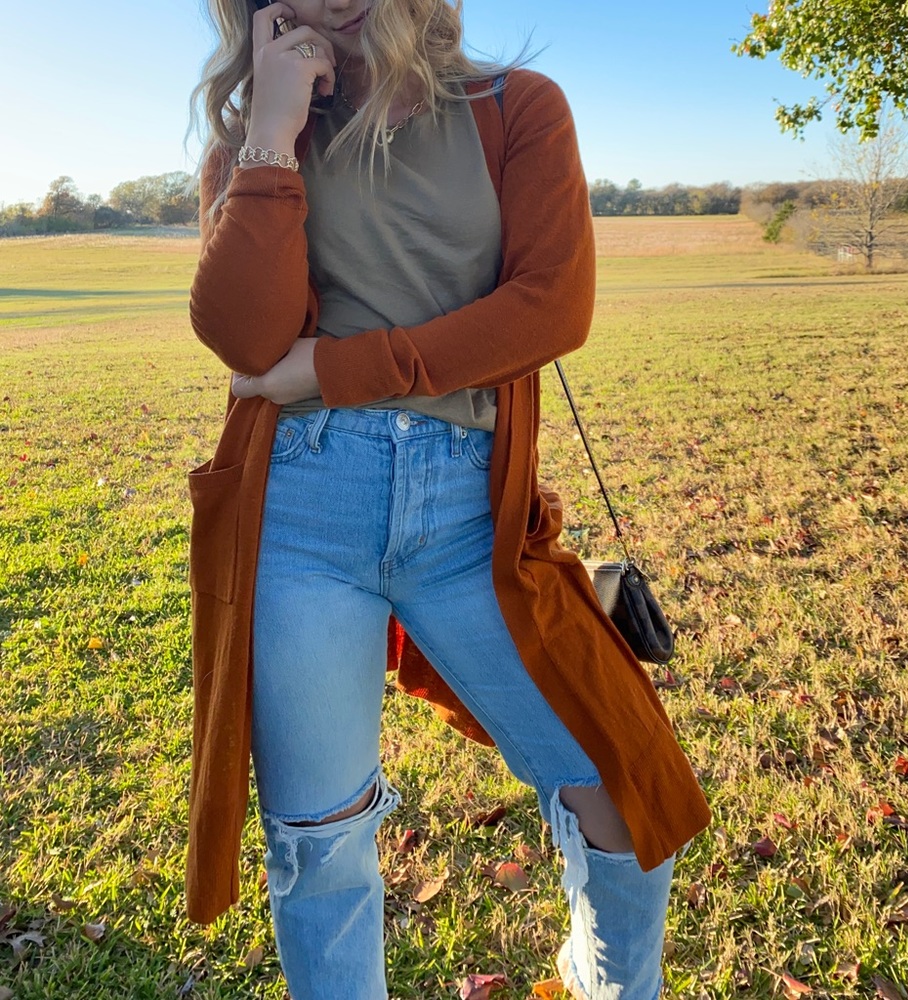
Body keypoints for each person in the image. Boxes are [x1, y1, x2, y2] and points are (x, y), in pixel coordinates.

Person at [186, 1, 711, 997]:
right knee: (320, 841)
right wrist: (270, 128)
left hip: (468, 510)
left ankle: (611, 982)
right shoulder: (259, 141)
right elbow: (247, 344)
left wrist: (338, 367)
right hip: (300, 509)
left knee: (624, 787)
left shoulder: (515, 107)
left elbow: (554, 304)